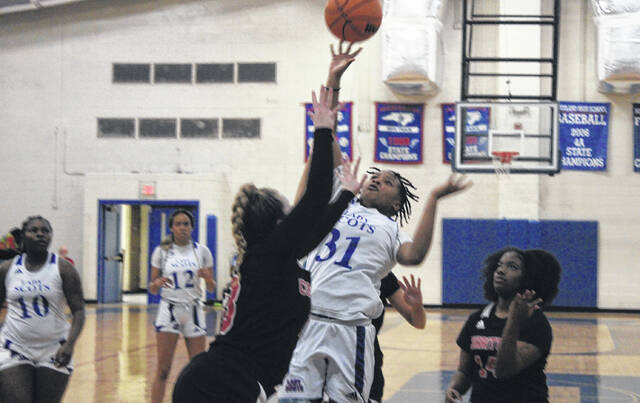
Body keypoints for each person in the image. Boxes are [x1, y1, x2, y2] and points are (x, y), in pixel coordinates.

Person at [278, 42, 473, 403]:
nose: (378, 180)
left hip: (351, 329)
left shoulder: (389, 231)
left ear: (397, 202)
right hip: (306, 320)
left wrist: (433, 197)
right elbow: (328, 136)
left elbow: (414, 255)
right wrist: (334, 78)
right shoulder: (341, 197)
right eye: (376, 175)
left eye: (389, 181)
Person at [172, 86, 364, 402]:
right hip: (221, 384)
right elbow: (315, 199)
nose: (296, 219)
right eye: (290, 214)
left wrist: (345, 195)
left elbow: (314, 231)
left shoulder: (275, 261)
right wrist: (323, 130)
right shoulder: (268, 258)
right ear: (277, 225)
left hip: (228, 382)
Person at [445, 247, 562, 403]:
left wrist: (512, 320)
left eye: (512, 267)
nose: (501, 271)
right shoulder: (476, 319)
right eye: (499, 265)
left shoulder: (536, 323)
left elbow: (503, 370)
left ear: (526, 278)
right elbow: (465, 372)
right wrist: (454, 388)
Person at [0, 215, 85, 403]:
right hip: (15, 346)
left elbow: (79, 311)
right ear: (23, 237)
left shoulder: (64, 269)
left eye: (45, 231)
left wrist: (70, 344)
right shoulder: (7, 269)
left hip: (55, 348)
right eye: (34, 230)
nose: (40, 234)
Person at [149, 208, 216, 403]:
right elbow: (152, 288)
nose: (182, 228)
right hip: (169, 309)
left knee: (198, 369)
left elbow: (211, 288)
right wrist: (157, 283)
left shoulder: (202, 251)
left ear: (192, 227)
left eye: (186, 224)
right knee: (163, 369)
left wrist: (208, 279)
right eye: (178, 224)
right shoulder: (161, 252)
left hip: (193, 309)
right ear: (171, 228)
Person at [369, 273, 426, 403]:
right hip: (327, 355)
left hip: (368, 359)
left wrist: (417, 308)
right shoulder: (322, 264)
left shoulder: (380, 270)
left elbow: (418, 323)